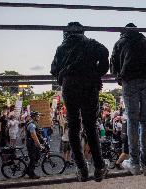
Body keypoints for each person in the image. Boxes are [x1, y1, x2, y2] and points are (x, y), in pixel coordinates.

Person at [50, 22, 109, 182]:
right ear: (82, 31)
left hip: (69, 86)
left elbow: (54, 69)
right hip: (89, 85)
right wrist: (98, 73)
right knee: (90, 127)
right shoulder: (91, 43)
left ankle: (82, 168)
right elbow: (105, 53)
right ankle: (98, 166)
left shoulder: (61, 48)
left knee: (74, 128)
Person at [110, 23, 146, 176]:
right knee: (145, 121)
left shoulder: (120, 42)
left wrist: (119, 77)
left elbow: (113, 66)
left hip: (130, 80)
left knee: (132, 121)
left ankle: (135, 163)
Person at [25, 111, 44, 179]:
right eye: (38, 116)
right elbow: (34, 136)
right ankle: (31, 174)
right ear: (34, 117)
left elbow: (38, 134)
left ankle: (27, 170)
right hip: (31, 144)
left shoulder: (35, 123)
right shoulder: (31, 125)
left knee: (37, 156)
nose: (39, 117)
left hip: (33, 144)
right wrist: (39, 145)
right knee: (33, 158)